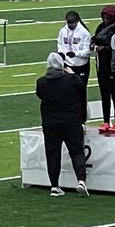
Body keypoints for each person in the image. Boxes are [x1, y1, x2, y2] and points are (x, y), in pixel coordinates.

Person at [36, 53, 88, 196]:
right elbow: (82, 87)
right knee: (76, 151)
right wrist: (72, 73)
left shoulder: (41, 83)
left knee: (53, 154)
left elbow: (40, 95)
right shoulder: (71, 80)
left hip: (50, 123)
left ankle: (54, 185)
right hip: (71, 122)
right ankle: (81, 180)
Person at [57, 10, 92, 119]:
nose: (70, 25)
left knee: (80, 92)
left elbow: (88, 51)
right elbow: (60, 43)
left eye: (72, 23)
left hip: (81, 65)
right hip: (68, 64)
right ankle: (69, 116)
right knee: (67, 91)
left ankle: (82, 119)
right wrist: (61, 53)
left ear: (77, 21)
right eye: (69, 23)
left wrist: (76, 54)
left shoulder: (84, 32)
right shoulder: (63, 31)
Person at [92, 5, 115, 132]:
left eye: (107, 17)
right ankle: (106, 121)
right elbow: (94, 40)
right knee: (104, 95)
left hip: (113, 66)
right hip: (101, 65)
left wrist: (105, 48)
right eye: (104, 17)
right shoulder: (100, 27)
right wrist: (94, 46)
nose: (105, 19)